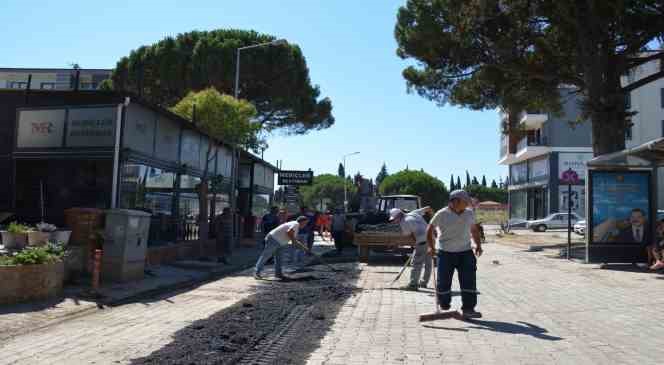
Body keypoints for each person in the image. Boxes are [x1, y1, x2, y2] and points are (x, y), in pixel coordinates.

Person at [427, 190, 484, 319]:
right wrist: (431, 247)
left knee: (469, 281)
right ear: (455, 201)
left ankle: (469, 309)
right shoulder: (442, 214)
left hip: (465, 252)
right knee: (443, 282)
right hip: (446, 253)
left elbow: (474, 230)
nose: (467, 205)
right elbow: (429, 230)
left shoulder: (469, 213)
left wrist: (478, 245)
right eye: (465, 202)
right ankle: (444, 304)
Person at [389, 206, 434, 291]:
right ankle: (424, 283)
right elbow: (429, 208)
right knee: (428, 262)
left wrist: (416, 244)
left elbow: (411, 235)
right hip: (431, 239)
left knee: (416, 263)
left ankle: (413, 285)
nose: (394, 221)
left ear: (399, 216)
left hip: (423, 241)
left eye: (394, 219)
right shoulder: (413, 213)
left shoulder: (404, 223)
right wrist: (433, 222)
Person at [254, 216, 310, 280]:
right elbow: (289, 232)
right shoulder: (296, 224)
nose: (305, 225)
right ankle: (257, 272)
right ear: (302, 221)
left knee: (279, 258)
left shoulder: (294, 225)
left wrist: (303, 247)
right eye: (305, 223)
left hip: (280, 242)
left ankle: (278, 274)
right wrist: (295, 242)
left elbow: (293, 239)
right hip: (273, 239)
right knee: (266, 256)